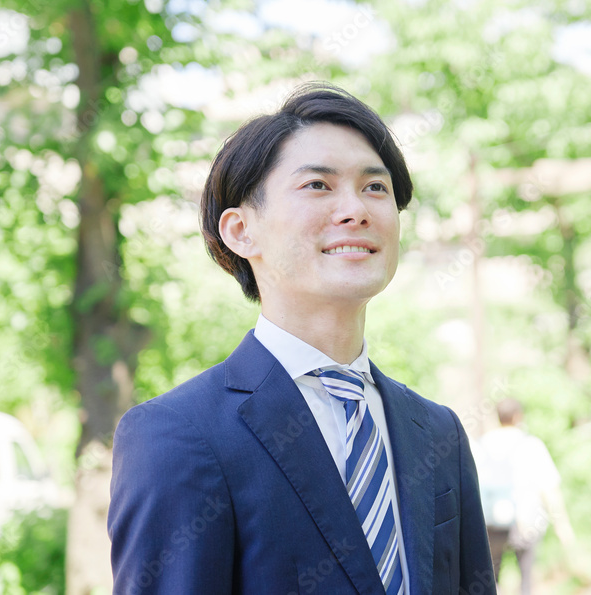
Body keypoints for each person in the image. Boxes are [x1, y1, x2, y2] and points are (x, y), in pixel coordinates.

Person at [107, 83, 495, 594]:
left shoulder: (438, 433)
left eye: (375, 188)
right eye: (317, 185)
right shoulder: (177, 435)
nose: (355, 209)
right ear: (240, 231)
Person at [474, 398, 576, 595]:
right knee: (526, 579)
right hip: (526, 522)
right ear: (518, 416)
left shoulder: (481, 444)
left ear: (498, 416)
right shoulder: (531, 445)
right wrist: (562, 525)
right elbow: (549, 488)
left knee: (490, 580)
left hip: (489, 523)